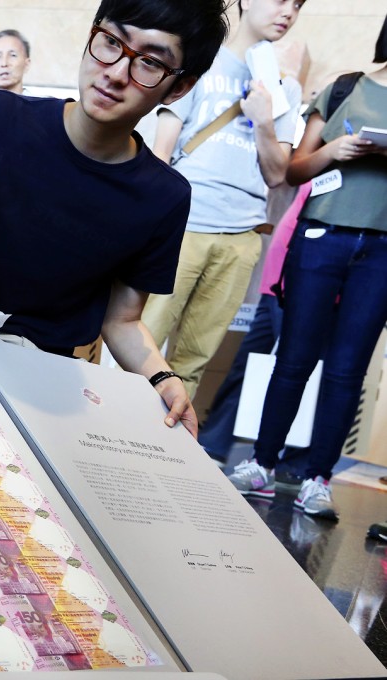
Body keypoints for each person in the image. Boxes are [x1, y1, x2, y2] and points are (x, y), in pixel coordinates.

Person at [0, 0, 229, 434]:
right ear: (91, 36)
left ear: (179, 88)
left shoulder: (164, 196)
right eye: (111, 43)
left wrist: (163, 377)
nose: (116, 72)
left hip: (41, 387)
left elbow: (122, 320)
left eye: (150, 63)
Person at [227, 14, 387, 519]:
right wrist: (338, 151)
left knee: (347, 369)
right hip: (320, 237)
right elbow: (292, 170)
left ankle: (319, 479)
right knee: (294, 357)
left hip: (382, 252)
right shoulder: (346, 88)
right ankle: (262, 463)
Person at [140, 0, 306, 399]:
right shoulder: (200, 60)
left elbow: (277, 174)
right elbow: (162, 152)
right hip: (184, 225)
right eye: (281, 0)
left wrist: (264, 120)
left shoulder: (284, 83)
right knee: (141, 344)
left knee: (193, 361)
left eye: (298, 5)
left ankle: (168, 452)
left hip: (241, 237)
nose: (289, 12)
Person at [197, 181, 311, 471]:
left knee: (301, 368)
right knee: (250, 363)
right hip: (282, 275)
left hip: (311, 281)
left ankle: (294, 462)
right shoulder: (324, 156)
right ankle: (215, 441)